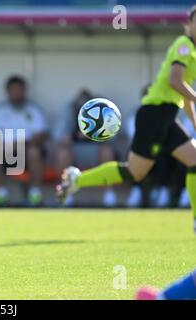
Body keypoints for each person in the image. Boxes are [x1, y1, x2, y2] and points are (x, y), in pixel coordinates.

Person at [57, 5, 196, 232]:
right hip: (155, 114)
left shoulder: (194, 52)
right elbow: (175, 81)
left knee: (194, 160)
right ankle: (77, 180)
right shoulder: (184, 45)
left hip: (166, 115)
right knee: (135, 172)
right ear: (187, 25)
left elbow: (185, 94)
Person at [0, 75, 48, 206]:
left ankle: (35, 194)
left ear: (24, 90)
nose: (16, 93)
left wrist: (23, 145)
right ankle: (0, 194)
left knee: (34, 152)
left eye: (19, 90)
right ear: (7, 92)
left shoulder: (34, 110)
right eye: (13, 90)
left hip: (28, 151)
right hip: (5, 152)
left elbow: (42, 134)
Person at [55, 88, 118, 207]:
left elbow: (113, 138)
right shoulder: (71, 110)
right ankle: (66, 193)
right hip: (76, 152)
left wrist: (94, 133)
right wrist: (76, 136)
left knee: (107, 151)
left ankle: (109, 194)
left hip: (95, 151)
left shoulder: (103, 111)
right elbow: (60, 137)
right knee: (63, 154)